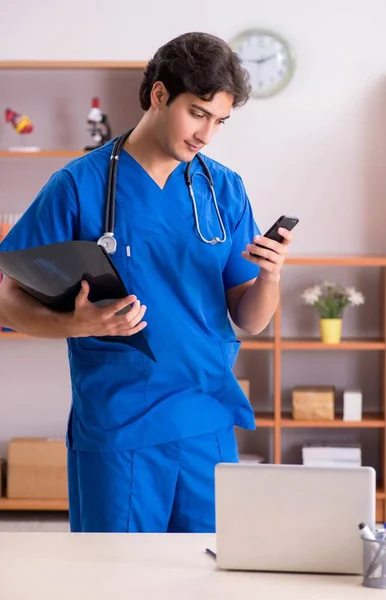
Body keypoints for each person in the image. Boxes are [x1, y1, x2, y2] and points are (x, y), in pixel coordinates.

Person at [0, 32, 293, 533]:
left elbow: (250, 319)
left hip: (207, 421)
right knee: (117, 579)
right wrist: (74, 323)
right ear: (159, 95)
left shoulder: (224, 188)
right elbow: (6, 299)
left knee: (207, 578)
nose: (207, 134)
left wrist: (270, 275)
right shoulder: (79, 185)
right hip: (120, 425)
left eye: (219, 121)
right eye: (198, 113)